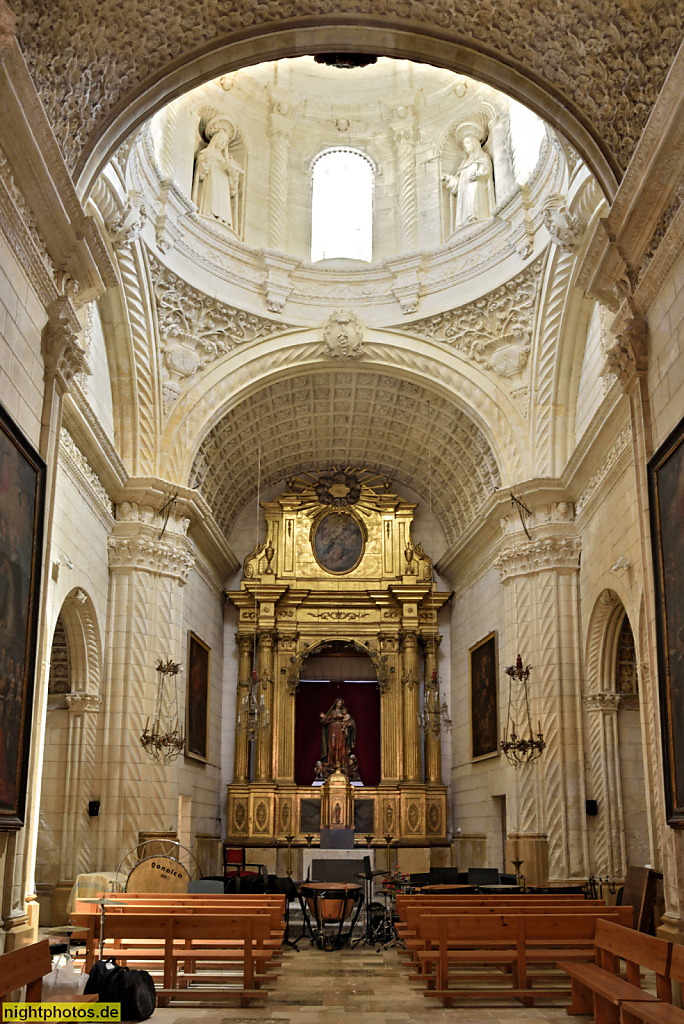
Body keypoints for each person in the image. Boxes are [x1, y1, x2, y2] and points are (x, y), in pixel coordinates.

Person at [192, 120, 243, 230]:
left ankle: (223, 219)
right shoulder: (206, 153)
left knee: (223, 198)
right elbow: (200, 173)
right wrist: (204, 163)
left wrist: (232, 173)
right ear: (215, 139)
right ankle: (208, 212)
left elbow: (233, 187)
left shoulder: (226, 160)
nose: (222, 143)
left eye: (225, 142)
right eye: (221, 140)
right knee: (211, 194)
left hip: (223, 184)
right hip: (210, 181)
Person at [442, 133, 495, 229]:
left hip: (477, 185)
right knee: (466, 200)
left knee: (473, 195)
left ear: (474, 144)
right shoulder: (464, 163)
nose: (465, 146)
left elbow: (486, 168)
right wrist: (449, 179)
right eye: (464, 144)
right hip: (464, 191)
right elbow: (459, 184)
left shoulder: (482, 157)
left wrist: (480, 172)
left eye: (467, 143)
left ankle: (475, 217)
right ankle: (464, 222)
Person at [320, 698, 355, 768]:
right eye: (338, 703)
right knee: (332, 745)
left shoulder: (344, 712)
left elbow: (350, 721)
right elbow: (326, 721)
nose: (339, 704)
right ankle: (332, 764)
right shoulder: (332, 712)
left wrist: (349, 724)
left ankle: (342, 764)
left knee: (341, 745)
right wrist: (323, 717)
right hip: (333, 729)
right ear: (335, 703)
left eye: (340, 703)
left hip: (341, 730)